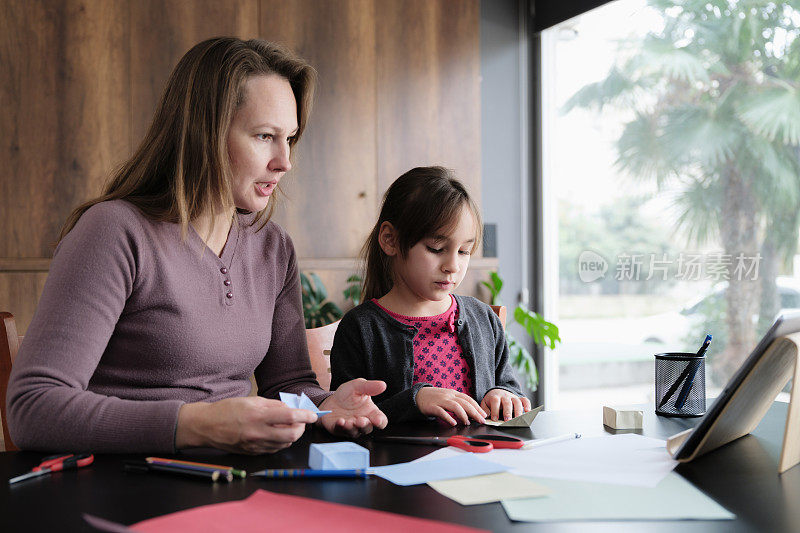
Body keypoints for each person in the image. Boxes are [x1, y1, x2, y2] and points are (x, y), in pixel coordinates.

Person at [6, 37, 387, 454]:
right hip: (123, 487)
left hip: (231, 481)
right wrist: (194, 424)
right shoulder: (114, 231)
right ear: (203, 132)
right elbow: (33, 410)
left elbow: (288, 385)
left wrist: (327, 405)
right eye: (264, 136)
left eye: (290, 139)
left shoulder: (273, 248)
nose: (285, 161)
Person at [329, 167, 531, 425]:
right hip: (399, 463)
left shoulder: (484, 319)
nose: (453, 266)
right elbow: (348, 416)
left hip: (479, 461)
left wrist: (502, 394)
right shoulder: (361, 328)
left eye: (464, 251)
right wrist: (415, 401)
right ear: (390, 239)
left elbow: (509, 387)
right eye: (436, 248)